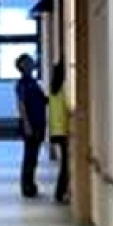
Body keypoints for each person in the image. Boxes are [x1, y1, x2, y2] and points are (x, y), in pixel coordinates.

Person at [13, 54, 47, 198]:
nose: (33, 63)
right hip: (31, 123)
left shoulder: (32, 82)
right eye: (29, 62)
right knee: (30, 156)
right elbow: (21, 105)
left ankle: (30, 184)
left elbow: (42, 100)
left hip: (38, 122)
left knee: (33, 156)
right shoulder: (23, 83)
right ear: (23, 66)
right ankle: (27, 187)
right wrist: (27, 124)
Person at [48, 62, 71, 205]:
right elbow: (69, 108)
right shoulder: (64, 89)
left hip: (56, 131)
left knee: (65, 164)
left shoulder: (53, 89)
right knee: (66, 165)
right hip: (64, 130)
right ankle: (60, 193)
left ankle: (61, 192)